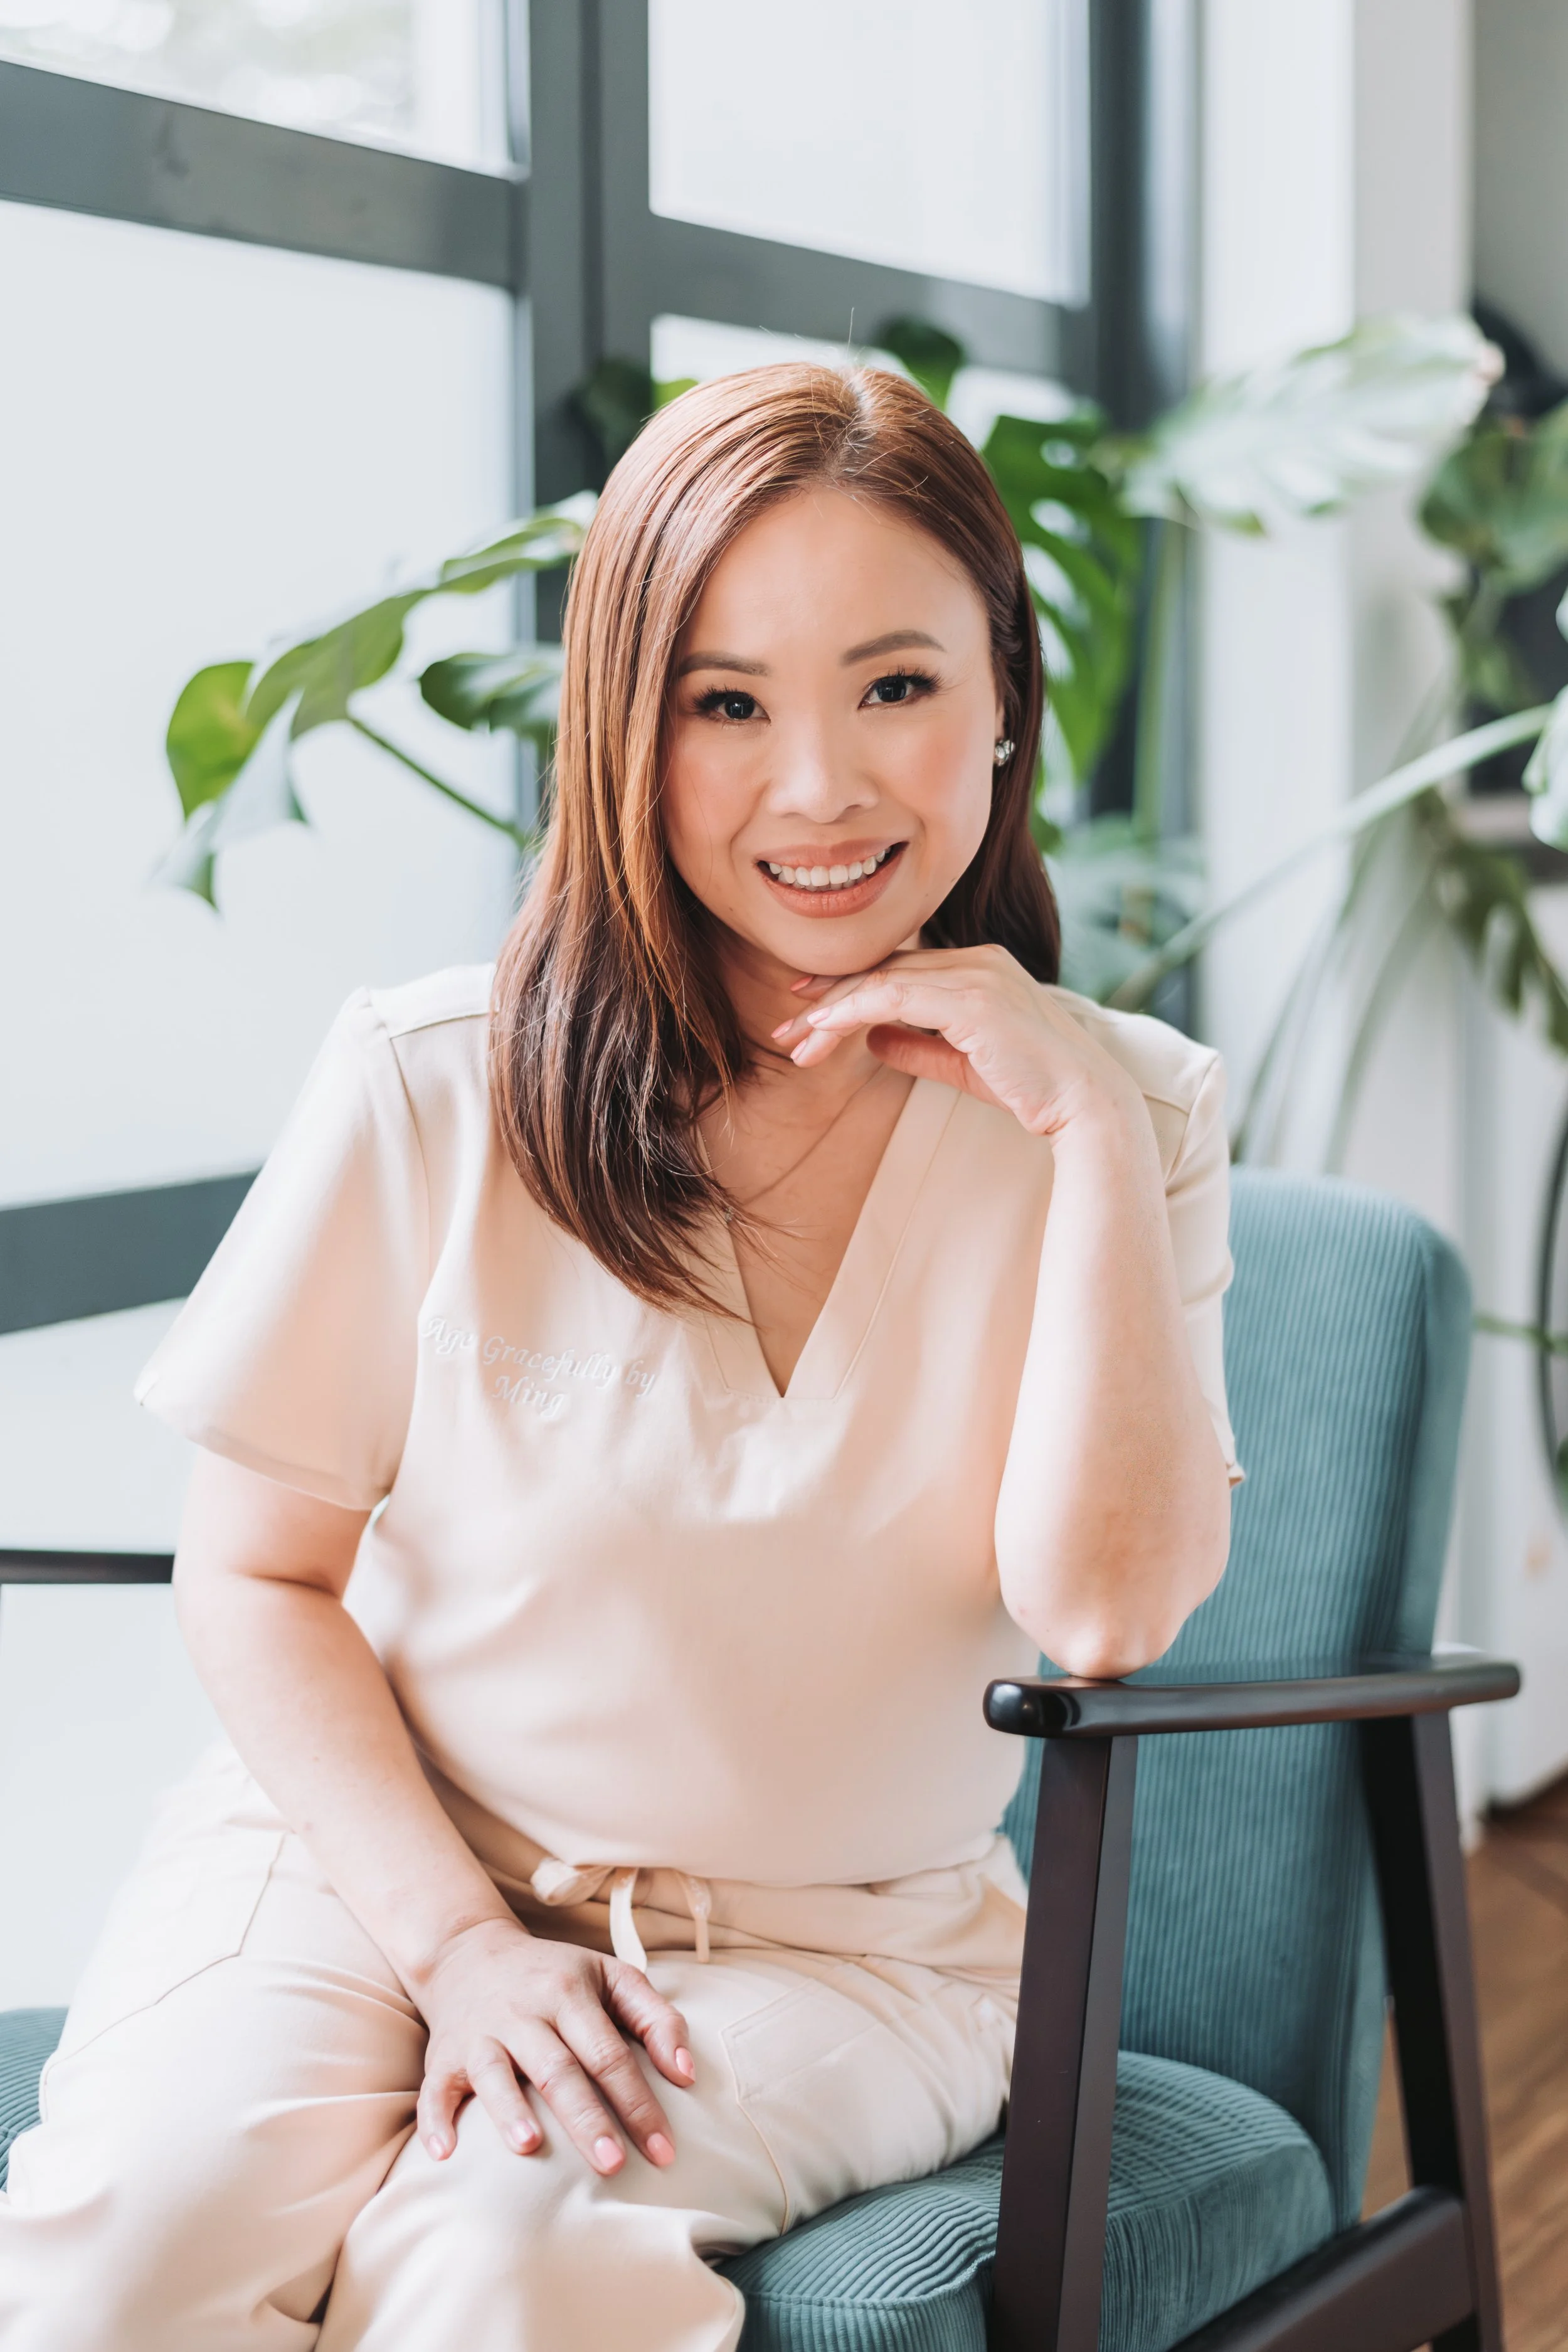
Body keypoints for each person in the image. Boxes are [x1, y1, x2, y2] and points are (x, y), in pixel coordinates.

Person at [0, 364, 1239, 2351]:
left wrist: (1082, 1129)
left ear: (1004, 695)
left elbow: (1102, 1613)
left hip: (838, 1950)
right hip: (363, 1865)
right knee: (137, 2248)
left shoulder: (1133, 1115)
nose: (820, 785)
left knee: (491, 2271)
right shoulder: (437, 1076)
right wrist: (464, 1949)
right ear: (621, 733)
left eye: (896, 686)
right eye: (724, 702)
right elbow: (258, 1572)